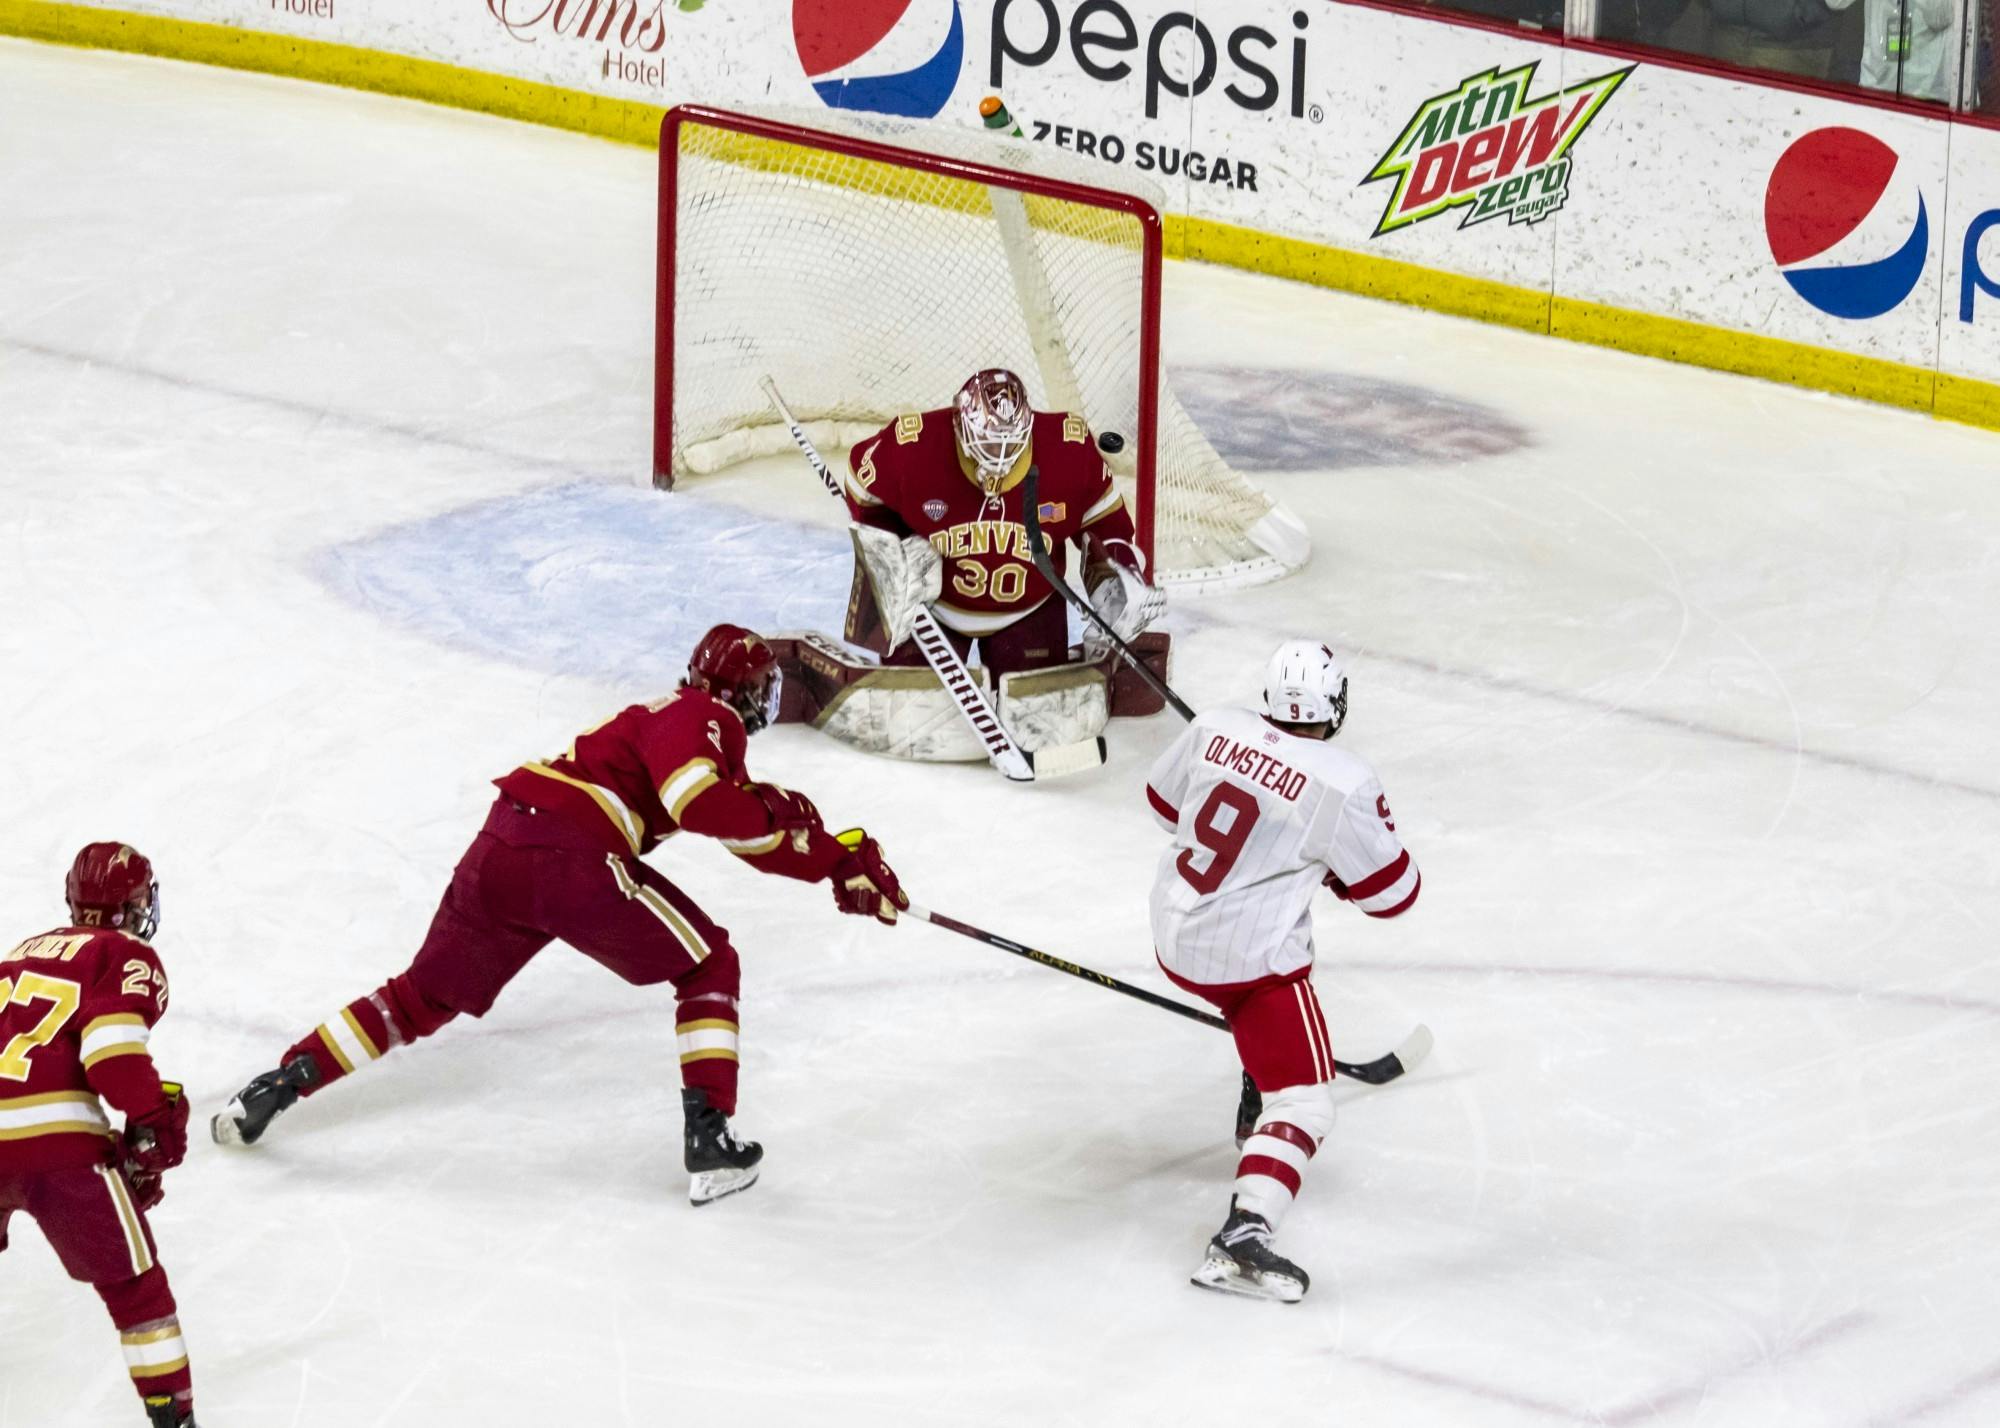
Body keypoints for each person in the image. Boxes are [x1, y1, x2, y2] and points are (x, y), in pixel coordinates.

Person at [212, 624, 907, 1205]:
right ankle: (712, 1144)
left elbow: (743, 833)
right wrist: (804, 830)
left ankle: (278, 1086)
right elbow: (704, 805)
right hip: (571, 855)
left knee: (420, 996)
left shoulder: (664, 716)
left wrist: (833, 861)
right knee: (709, 964)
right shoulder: (703, 718)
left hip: (504, 844)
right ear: (746, 692)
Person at [1145, 641, 1420, 1302]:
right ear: (1336, 704)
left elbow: (1162, 806)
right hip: (1246, 962)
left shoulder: (1214, 726)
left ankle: (1252, 1077)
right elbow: (1393, 895)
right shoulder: (1344, 779)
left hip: (1172, 933)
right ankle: (1243, 1234)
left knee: (1262, 946)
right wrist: (1332, 867)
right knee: (1304, 1097)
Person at [773, 368, 1169, 764]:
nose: (998, 460)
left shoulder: (1068, 447)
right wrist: (894, 551)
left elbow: (1106, 524)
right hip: (935, 609)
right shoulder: (914, 446)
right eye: (987, 444)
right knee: (911, 710)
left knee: (1043, 713)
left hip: (1027, 609)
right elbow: (862, 485)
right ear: (959, 426)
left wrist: (1121, 576)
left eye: (1009, 445)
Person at [1, 844, 199, 1426]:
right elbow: (113, 1060)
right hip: (56, 1148)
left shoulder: (16, 955)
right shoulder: (122, 952)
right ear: (135, 905)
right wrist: (154, 1124)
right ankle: (173, 1417)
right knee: (136, 1290)